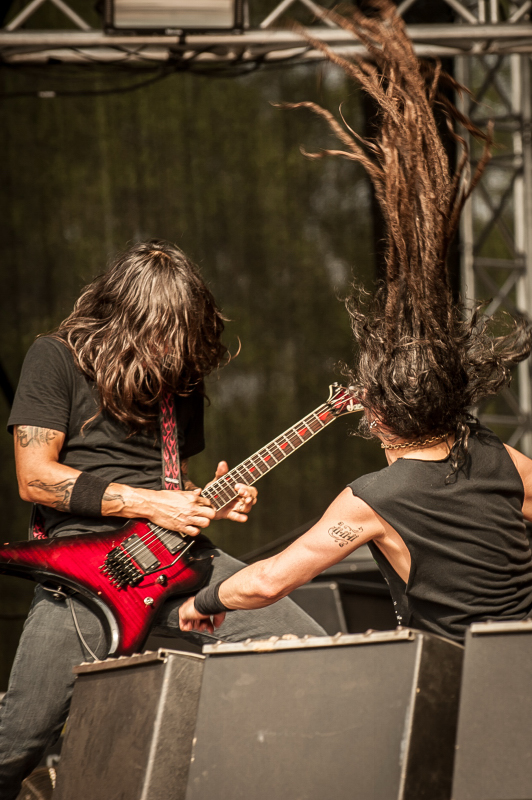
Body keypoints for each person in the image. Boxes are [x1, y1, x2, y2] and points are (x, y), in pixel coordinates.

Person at [179, 1, 532, 644]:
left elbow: (266, 583)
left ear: (379, 416)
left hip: (452, 688)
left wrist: (205, 597)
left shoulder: (377, 494)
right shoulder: (501, 458)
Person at [0, 240, 324, 800]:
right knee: (16, 745)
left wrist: (209, 501)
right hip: (86, 573)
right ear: (120, 319)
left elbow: (174, 490)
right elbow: (35, 478)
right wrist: (153, 504)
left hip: (178, 566)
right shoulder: (54, 359)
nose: (171, 352)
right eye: (159, 334)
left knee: (308, 648)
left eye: (182, 337)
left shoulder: (182, 380)